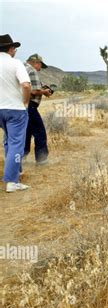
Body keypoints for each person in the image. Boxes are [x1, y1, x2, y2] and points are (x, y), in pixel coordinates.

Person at [0, 34, 32, 192]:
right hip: (15, 109)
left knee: (8, 141)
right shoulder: (15, 63)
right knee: (16, 144)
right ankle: (12, 181)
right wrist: (25, 101)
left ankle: (13, 171)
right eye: (15, 49)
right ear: (10, 49)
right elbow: (26, 85)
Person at [24, 54, 52, 165]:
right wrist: (44, 92)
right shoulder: (32, 71)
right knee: (40, 132)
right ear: (36, 62)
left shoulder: (22, 69)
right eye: (40, 65)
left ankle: (22, 157)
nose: (40, 68)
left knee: (26, 132)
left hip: (22, 106)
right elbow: (34, 91)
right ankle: (42, 159)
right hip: (31, 106)